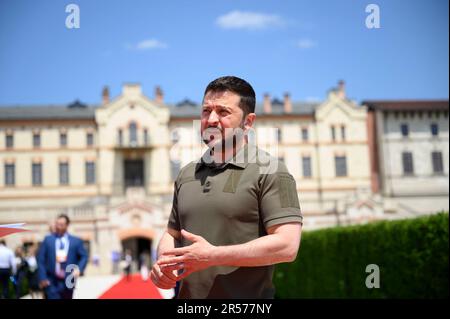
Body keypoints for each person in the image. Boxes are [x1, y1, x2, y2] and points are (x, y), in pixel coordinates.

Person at [151, 76, 303, 298]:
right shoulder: (186, 174)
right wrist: (165, 261)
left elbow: (287, 246)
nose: (211, 119)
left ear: (248, 122)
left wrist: (213, 255)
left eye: (223, 112)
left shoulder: (272, 170)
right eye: (206, 111)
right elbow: (172, 233)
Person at [37, 214, 88, 299]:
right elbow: (41, 259)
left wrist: (79, 268)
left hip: (69, 280)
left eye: (61, 225)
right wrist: (42, 277)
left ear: (67, 225)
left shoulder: (76, 241)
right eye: (57, 224)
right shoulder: (48, 240)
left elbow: (84, 256)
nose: (58, 226)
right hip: (51, 281)